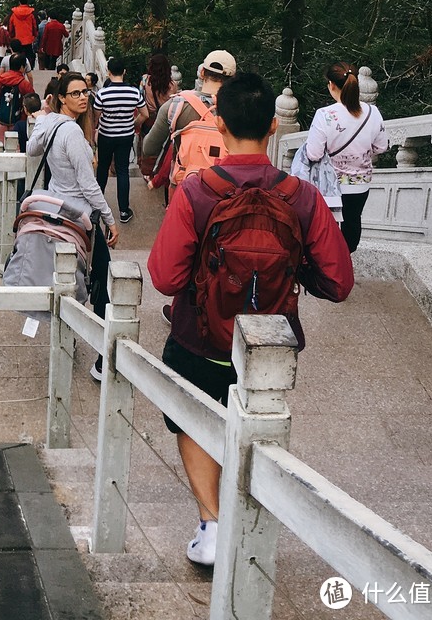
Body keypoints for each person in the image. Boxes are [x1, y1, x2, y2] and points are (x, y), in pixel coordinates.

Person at [147, 72, 354, 568]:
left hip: (199, 338)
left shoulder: (198, 192)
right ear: (275, 127)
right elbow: (340, 282)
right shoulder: (300, 196)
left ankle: (212, 525)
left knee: (192, 422)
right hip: (269, 344)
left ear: (218, 122)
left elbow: (163, 276)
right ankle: (248, 516)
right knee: (255, 422)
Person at [27, 71, 119, 378]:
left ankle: (66, 339)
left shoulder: (51, 124)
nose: (83, 97)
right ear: (62, 98)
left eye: (85, 92)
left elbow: (31, 149)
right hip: (82, 217)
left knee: (67, 279)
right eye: (75, 93)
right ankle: (103, 359)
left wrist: (43, 114)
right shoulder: (73, 135)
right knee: (101, 287)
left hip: (59, 212)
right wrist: (109, 217)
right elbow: (89, 185)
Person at [304, 62, 388, 253]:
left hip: (330, 185)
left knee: (326, 228)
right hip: (361, 184)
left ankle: (328, 269)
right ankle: (345, 263)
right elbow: (381, 147)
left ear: (331, 85)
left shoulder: (324, 115)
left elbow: (314, 154)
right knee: (352, 221)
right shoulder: (372, 113)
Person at [141, 50, 236, 193]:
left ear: (202, 73)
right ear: (233, 78)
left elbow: (148, 148)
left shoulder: (176, 105)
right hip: (225, 190)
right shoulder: (241, 109)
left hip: (184, 188)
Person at [94, 55, 145, 225]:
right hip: (125, 135)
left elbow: (96, 116)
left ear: (108, 72)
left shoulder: (102, 93)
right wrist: (133, 123)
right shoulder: (134, 92)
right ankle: (124, 211)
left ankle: (97, 207)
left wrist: (97, 128)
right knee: (122, 170)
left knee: (102, 168)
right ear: (124, 71)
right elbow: (145, 114)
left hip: (106, 135)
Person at [0, 54, 34, 150]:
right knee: (16, 147)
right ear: (22, 67)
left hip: (0, 118)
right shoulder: (24, 84)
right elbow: (32, 103)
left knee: (1, 143)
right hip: (18, 120)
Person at [7, 0, 39, 66]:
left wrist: (12, 35)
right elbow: (34, 26)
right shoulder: (31, 13)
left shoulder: (14, 13)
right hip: (28, 39)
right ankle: (29, 68)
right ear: (27, 1)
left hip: (18, 39)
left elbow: (10, 26)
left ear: (19, 1)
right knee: (29, 55)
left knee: (18, 55)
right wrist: (34, 35)